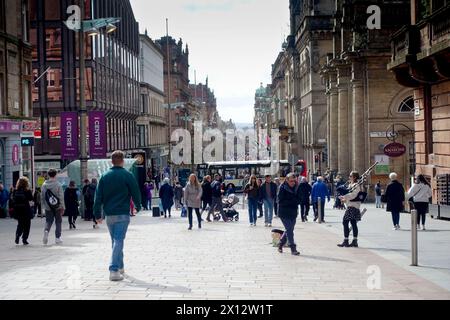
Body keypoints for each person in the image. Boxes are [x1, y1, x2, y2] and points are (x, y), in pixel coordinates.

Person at [93, 150, 142, 281]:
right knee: (118, 241)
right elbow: (135, 192)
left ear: (111, 161)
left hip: (109, 215)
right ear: (123, 161)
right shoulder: (128, 175)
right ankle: (114, 270)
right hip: (122, 213)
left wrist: (97, 214)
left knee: (115, 241)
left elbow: (98, 197)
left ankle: (120, 267)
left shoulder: (104, 176)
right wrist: (138, 206)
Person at [277, 173, 300, 255]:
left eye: (294, 181)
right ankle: (293, 248)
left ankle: (280, 243)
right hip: (284, 212)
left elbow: (299, 198)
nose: (293, 183)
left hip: (293, 212)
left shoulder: (297, 187)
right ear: (286, 180)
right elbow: (280, 201)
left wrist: (298, 201)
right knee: (290, 230)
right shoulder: (282, 188)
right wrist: (292, 202)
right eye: (291, 181)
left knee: (289, 230)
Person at [337, 172, 363, 248]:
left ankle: (346, 240)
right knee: (353, 223)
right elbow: (350, 196)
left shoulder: (356, 185)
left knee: (345, 222)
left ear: (354, 177)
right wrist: (344, 199)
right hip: (351, 205)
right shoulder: (351, 185)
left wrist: (344, 197)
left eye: (350, 176)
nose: (349, 177)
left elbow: (353, 195)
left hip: (353, 206)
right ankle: (354, 241)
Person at [41, 169, 65, 245]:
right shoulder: (58, 184)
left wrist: (43, 206)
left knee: (48, 221)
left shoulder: (44, 185)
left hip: (48, 207)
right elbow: (61, 197)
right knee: (58, 221)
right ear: (55, 175)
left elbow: (42, 196)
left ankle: (46, 231)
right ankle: (57, 238)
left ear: (48, 175)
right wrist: (62, 206)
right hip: (57, 206)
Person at [11, 177, 34, 245]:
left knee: (20, 224)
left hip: (18, 210)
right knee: (27, 225)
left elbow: (12, 200)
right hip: (26, 210)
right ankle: (24, 239)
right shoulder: (27, 191)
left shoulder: (15, 191)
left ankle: (17, 235)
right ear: (26, 183)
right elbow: (31, 199)